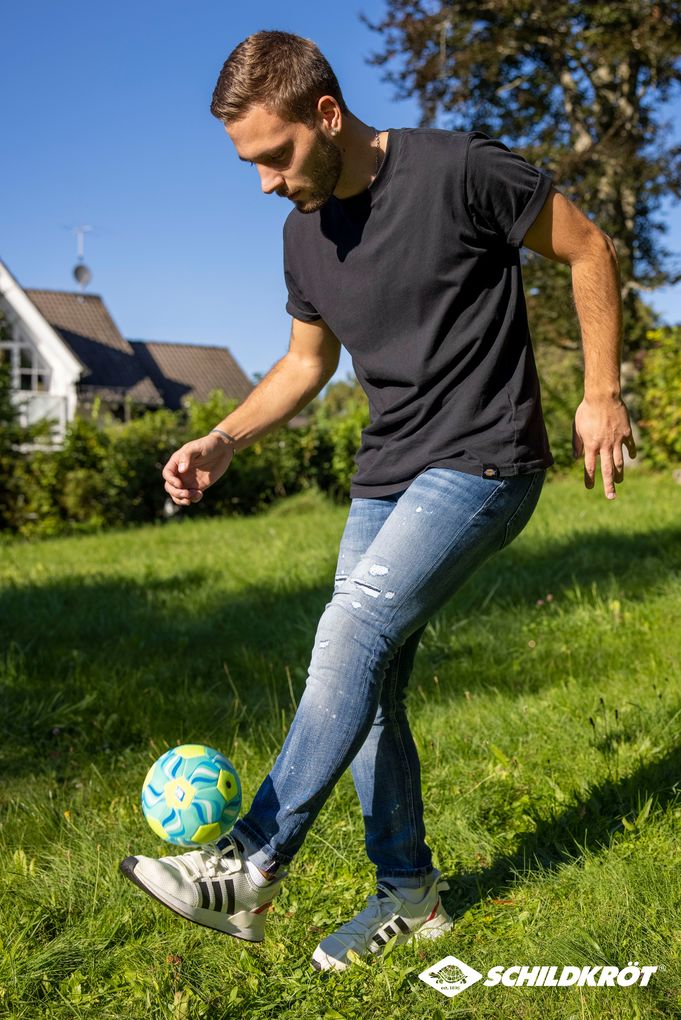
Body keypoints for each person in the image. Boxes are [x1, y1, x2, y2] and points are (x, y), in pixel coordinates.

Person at [120, 30, 636, 971]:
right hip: (386, 472)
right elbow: (303, 364)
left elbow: (587, 247)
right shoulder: (300, 236)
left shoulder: (458, 168)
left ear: (327, 116)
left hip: (484, 464)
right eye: (250, 165)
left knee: (348, 631)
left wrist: (599, 392)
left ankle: (249, 861)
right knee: (369, 682)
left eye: (274, 156)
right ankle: (410, 893)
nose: (267, 183)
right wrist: (224, 439)